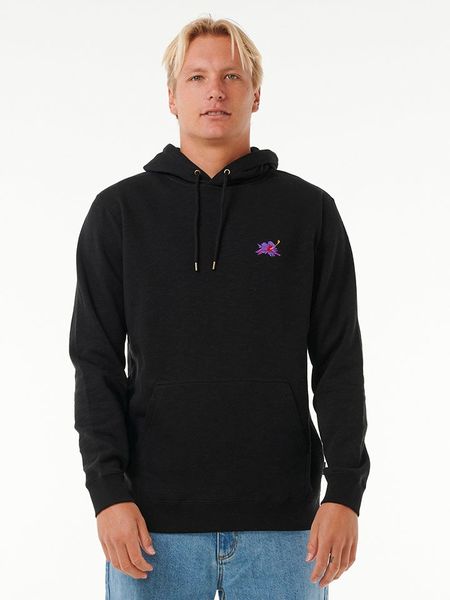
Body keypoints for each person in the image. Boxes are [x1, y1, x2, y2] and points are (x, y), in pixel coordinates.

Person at [69, 15, 370, 600]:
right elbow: (94, 362)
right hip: (149, 525)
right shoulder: (119, 213)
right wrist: (107, 493)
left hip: (286, 526)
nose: (215, 91)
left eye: (232, 76)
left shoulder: (308, 212)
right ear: (172, 96)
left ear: (255, 93)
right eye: (197, 77)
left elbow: (339, 361)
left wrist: (344, 493)